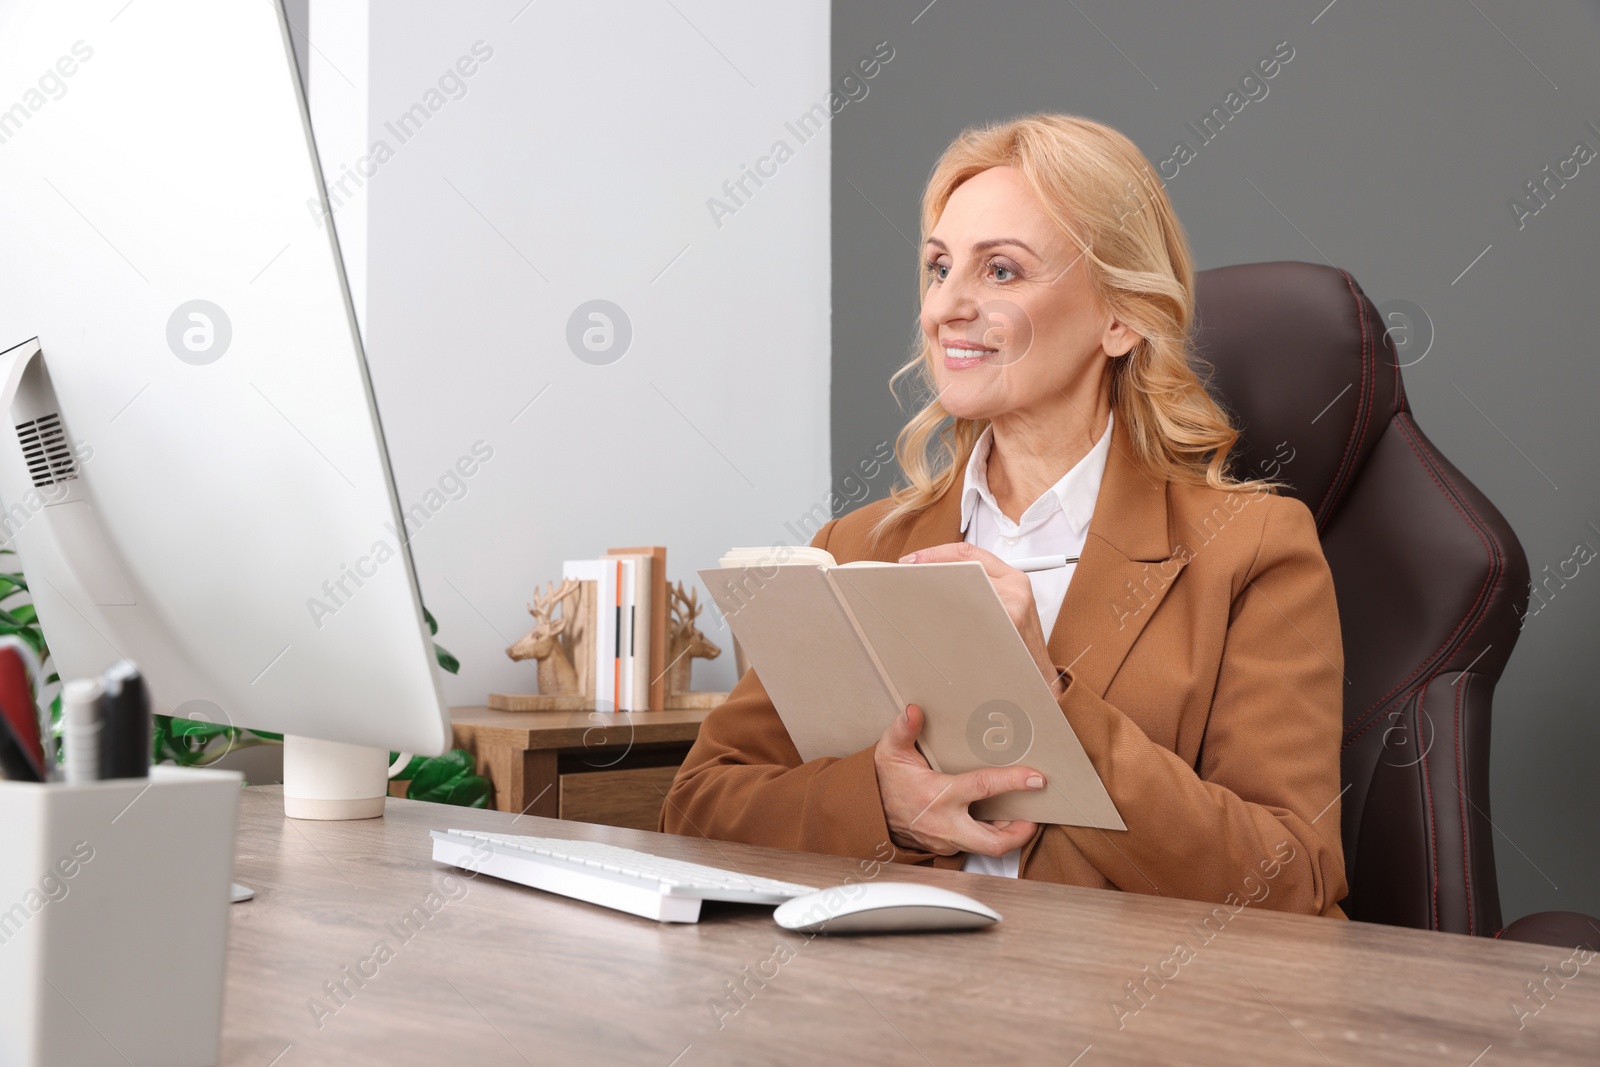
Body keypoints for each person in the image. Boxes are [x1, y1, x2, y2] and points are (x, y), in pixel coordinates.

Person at [661, 113, 1348, 917]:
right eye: (939, 266)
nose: (945, 307)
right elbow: (699, 804)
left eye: (1001, 272)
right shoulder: (858, 545)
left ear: (1119, 316)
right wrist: (879, 804)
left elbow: (1291, 881)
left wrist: (1045, 696)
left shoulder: (1252, 549)